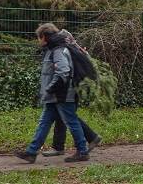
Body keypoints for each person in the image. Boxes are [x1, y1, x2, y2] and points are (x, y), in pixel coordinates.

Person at [15, 23, 90, 163]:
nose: (38, 41)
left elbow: (63, 71)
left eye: (39, 37)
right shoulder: (52, 49)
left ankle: (82, 151)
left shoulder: (58, 50)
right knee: (44, 123)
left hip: (62, 94)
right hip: (54, 96)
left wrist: (50, 88)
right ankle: (31, 152)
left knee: (72, 121)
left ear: (44, 36)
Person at [41, 29, 102, 157]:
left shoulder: (66, 50)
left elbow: (65, 71)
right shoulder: (72, 49)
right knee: (65, 116)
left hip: (69, 89)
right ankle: (60, 146)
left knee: (69, 117)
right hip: (70, 88)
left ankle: (85, 143)